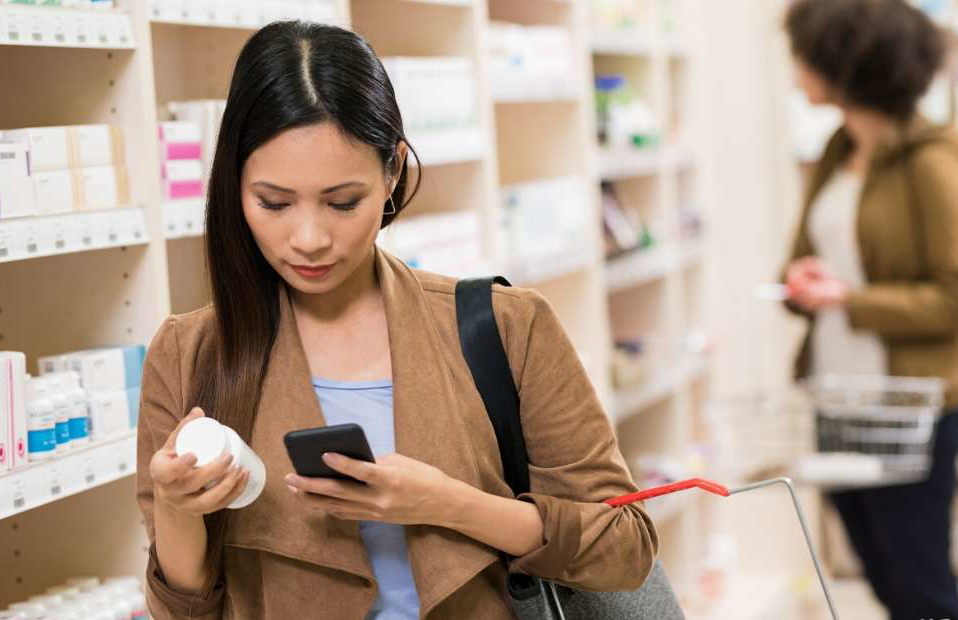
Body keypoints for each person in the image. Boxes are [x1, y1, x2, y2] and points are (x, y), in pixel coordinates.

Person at [135, 20, 657, 620]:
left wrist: (448, 504)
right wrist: (178, 508)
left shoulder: (508, 327)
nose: (308, 238)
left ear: (393, 172)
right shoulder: (187, 354)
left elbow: (625, 547)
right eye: (273, 203)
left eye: (342, 202)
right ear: (233, 187)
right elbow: (182, 609)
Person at [782, 2, 958, 619]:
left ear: (845, 62)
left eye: (804, 55)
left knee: (921, 586)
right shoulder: (836, 151)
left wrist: (849, 299)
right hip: (840, 396)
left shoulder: (932, 162)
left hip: (913, 406)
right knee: (879, 575)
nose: (795, 70)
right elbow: (805, 258)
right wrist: (799, 281)